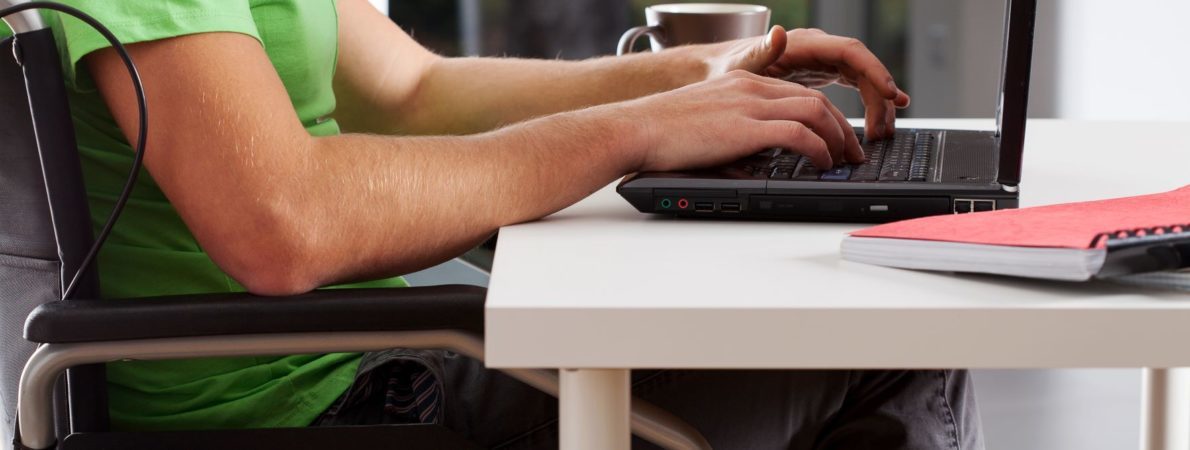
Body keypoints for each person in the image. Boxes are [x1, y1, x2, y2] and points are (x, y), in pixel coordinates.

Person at [1, 0, 981, 448]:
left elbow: (413, 87)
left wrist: (699, 75)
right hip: (313, 404)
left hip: (369, 366)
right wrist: (631, 133)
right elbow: (283, 224)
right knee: (889, 344)